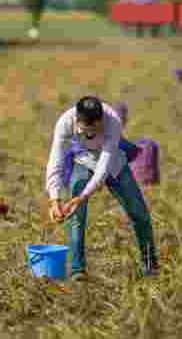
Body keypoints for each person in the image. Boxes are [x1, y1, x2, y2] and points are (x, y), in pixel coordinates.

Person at [45, 96, 158, 279]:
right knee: (76, 217)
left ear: (101, 121)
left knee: (139, 213)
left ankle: (150, 266)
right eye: (85, 130)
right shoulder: (65, 122)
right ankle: (77, 270)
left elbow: (103, 167)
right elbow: (55, 161)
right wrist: (54, 199)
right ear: (77, 121)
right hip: (83, 160)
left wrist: (82, 197)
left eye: (94, 130)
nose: (90, 134)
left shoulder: (113, 121)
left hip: (114, 163)